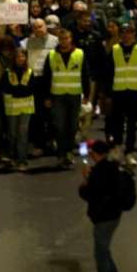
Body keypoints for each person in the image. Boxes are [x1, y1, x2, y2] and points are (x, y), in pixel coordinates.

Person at [43, 28, 91, 168]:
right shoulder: (52, 55)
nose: (64, 41)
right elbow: (47, 77)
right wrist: (47, 96)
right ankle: (61, 155)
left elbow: (85, 75)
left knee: (72, 126)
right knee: (59, 126)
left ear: (71, 39)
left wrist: (87, 95)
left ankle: (69, 152)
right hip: (57, 95)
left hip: (74, 95)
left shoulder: (80, 54)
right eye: (61, 39)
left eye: (66, 38)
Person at [78, 140, 123, 272]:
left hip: (103, 217)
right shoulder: (113, 166)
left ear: (96, 154)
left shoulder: (98, 172)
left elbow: (89, 194)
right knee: (104, 247)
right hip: (115, 215)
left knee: (100, 252)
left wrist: (85, 180)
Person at [107, 22, 137, 167]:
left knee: (131, 125)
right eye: (123, 32)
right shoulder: (115, 49)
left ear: (134, 34)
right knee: (116, 123)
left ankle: (129, 152)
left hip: (134, 93)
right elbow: (109, 72)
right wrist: (108, 94)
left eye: (129, 32)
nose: (126, 35)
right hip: (118, 92)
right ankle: (116, 148)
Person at [0, 46, 34, 172]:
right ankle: (11, 157)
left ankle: (22, 160)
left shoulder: (30, 72)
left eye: (23, 56)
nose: (21, 59)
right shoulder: (8, 72)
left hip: (26, 109)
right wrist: (19, 90)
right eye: (18, 56)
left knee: (23, 135)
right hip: (12, 109)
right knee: (12, 134)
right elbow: (5, 89)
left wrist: (16, 91)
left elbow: (30, 89)